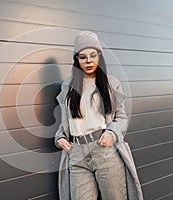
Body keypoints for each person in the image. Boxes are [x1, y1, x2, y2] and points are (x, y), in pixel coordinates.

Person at [54, 31, 143, 200]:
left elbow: (121, 117)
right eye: (83, 57)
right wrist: (60, 138)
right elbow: (68, 120)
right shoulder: (67, 86)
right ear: (77, 60)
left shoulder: (111, 83)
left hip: (104, 150)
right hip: (77, 154)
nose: (88, 61)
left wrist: (112, 133)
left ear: (99, 56)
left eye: (93, 55)